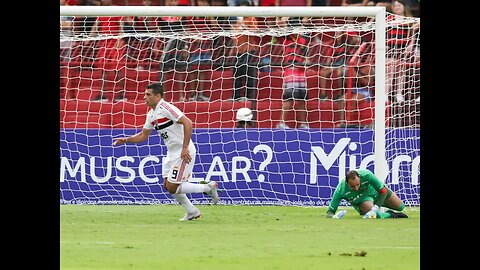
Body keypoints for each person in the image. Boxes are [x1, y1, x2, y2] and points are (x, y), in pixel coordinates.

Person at [112, 82, 220, 221]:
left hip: (183, 151)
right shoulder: (152, 114)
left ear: (158, 96)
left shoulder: (167, 108)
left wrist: (185, 147)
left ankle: (208, 188)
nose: (144, 97)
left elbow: (188, 122)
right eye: (145, 94)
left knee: (172, 186)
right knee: (167, 185)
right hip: (171, 152)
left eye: (148, 95)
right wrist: (125, 140)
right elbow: (143, 135)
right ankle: (192, 211)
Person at [326, 168, 408, 219]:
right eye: (352, 186)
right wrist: (334, 217)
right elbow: (330, 211)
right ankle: (390, 214)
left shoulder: (367, 175)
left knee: (400, 207)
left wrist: (375, 208)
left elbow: (383, 191)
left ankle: (380, 211)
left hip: (377, 193)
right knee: (371, 213)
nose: (356, 188)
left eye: (358, 185)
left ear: (360, 178)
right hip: (364, 201)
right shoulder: (341, 189)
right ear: (346, 183)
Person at [276, 17, 311, 129]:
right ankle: (281, 123)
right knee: (288, 99)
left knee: (302, 100)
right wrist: (281, 19)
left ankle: (303, 124)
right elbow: (277, 29)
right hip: (290, 71)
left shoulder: (304, 39)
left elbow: (306, 55)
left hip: (301, 72)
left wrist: (307, 60)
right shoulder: (286, 38)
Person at [229, 0, 260, 102]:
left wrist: (244, 25)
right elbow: (236, 37)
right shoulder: (239, 21)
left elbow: (255, 32)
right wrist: (232, 50)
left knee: (248, 72)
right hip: (238, 51)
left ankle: (247, 96)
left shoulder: (252, 19)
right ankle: (236, 96)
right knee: (237, 73)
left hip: (249, 50)